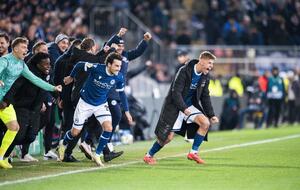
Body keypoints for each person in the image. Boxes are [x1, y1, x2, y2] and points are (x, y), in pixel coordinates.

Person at [143, 51, 219, 165]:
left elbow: (205, 96)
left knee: (205, 123)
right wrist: (183, 108)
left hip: (188, 106)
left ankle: (193, 153)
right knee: (167, 138)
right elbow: (176, 92)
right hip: (175, 106)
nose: (211, 66)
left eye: (212, 64)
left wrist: (211, 114)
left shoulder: (204, 77)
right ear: (202, 61)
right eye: (209, 63)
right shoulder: (184, 71)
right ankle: (148, 155)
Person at [59, 52, 133, 167]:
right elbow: (79, 64)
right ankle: (63, 144)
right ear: (109, 64)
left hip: (100, 104)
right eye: (116, 66)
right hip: (85, 103)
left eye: (120, 66)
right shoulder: (97, 68)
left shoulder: (118, 77)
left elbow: (122, 94)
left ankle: (98, 154)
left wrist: (127, 111)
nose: (119, 69)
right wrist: (71, 77)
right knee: (75, 132)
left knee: (108, 128)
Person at [0, 37, 62, 169]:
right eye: (23, 47)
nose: (26, 50)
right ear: (15, 48)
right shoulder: (4, 60)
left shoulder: (22, 65)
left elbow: (35, 79)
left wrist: (53, 88)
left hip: (4, 101)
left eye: (26, 48)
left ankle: (1, 157)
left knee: (14, 128)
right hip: (4, 100)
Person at [1, 53, 51, 162]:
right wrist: (6, 100)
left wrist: (49, 99)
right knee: (18, 136)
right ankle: (4, 156)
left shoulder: (46, 73)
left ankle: (13, 152)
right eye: (45, 64)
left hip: (35, 109)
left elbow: (47, 87)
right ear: (38, 64)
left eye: (49, 64)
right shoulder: (26, 73)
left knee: (31, 137)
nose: (48, 66)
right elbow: (14, 87)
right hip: (21, 106)